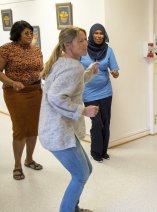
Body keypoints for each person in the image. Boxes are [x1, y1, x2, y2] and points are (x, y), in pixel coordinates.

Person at [39, 26, 99, 212]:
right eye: (80, 40)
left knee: (86, 169)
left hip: (59, 129)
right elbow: (56, 97)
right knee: (81, 174)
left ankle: (73, 208)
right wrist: (83, 110)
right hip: (58, 132)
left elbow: (69, 85)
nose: (85, 43)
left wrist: (89, 73)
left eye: (85, 39)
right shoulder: (73, 66)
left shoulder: (63, 61)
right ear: (67, 44)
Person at [0, 20, 43, 180]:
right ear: (17, 33)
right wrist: (12, 82)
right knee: (20, 128)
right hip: (15, 92)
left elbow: (40, 67)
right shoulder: (6, 49)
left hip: (35, 91)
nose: (30, 35)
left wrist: (41, 73)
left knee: (32, 128)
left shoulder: (36, 49)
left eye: (31, 32)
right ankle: (17, 165)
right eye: (26, 33)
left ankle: (29, 159)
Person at [80, 23, 119, 163]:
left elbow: (115, 72)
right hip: (89, 93)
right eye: (95, 33)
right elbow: (76, 69)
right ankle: (96, 152)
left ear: (104, 35)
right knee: (97, 123)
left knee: (105, 122)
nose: (98, 35)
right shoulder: (83, 50)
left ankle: (104, 151)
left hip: (106, 92)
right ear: (91, 35)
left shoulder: (109, 50)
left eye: (101, 33)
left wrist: (115, 73)